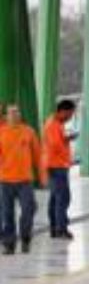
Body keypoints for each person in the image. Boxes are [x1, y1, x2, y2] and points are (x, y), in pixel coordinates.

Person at [0, 104, 42, 254]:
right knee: (7, 214)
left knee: (28, 210)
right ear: (6, 116)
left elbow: (38, 156)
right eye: (11, 112)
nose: (15, 114)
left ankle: (25, 238)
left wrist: (43, 177)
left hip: (25, 181)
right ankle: (9, 244)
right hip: (5, 181)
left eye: (17, 111)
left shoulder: (29, 132)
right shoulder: (1, 132)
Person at [42, 99, 77, 239]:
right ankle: (61, 229)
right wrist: (67, 139)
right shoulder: (53, 124)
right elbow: (56, 144)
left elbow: (57, 142)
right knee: (63, 198)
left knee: (55, 198)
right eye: (70, 114)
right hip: (56, 166)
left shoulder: (58, 124)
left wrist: (66, 138)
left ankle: (55, 228)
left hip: (56, 165)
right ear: (63, 111)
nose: (70, 117)